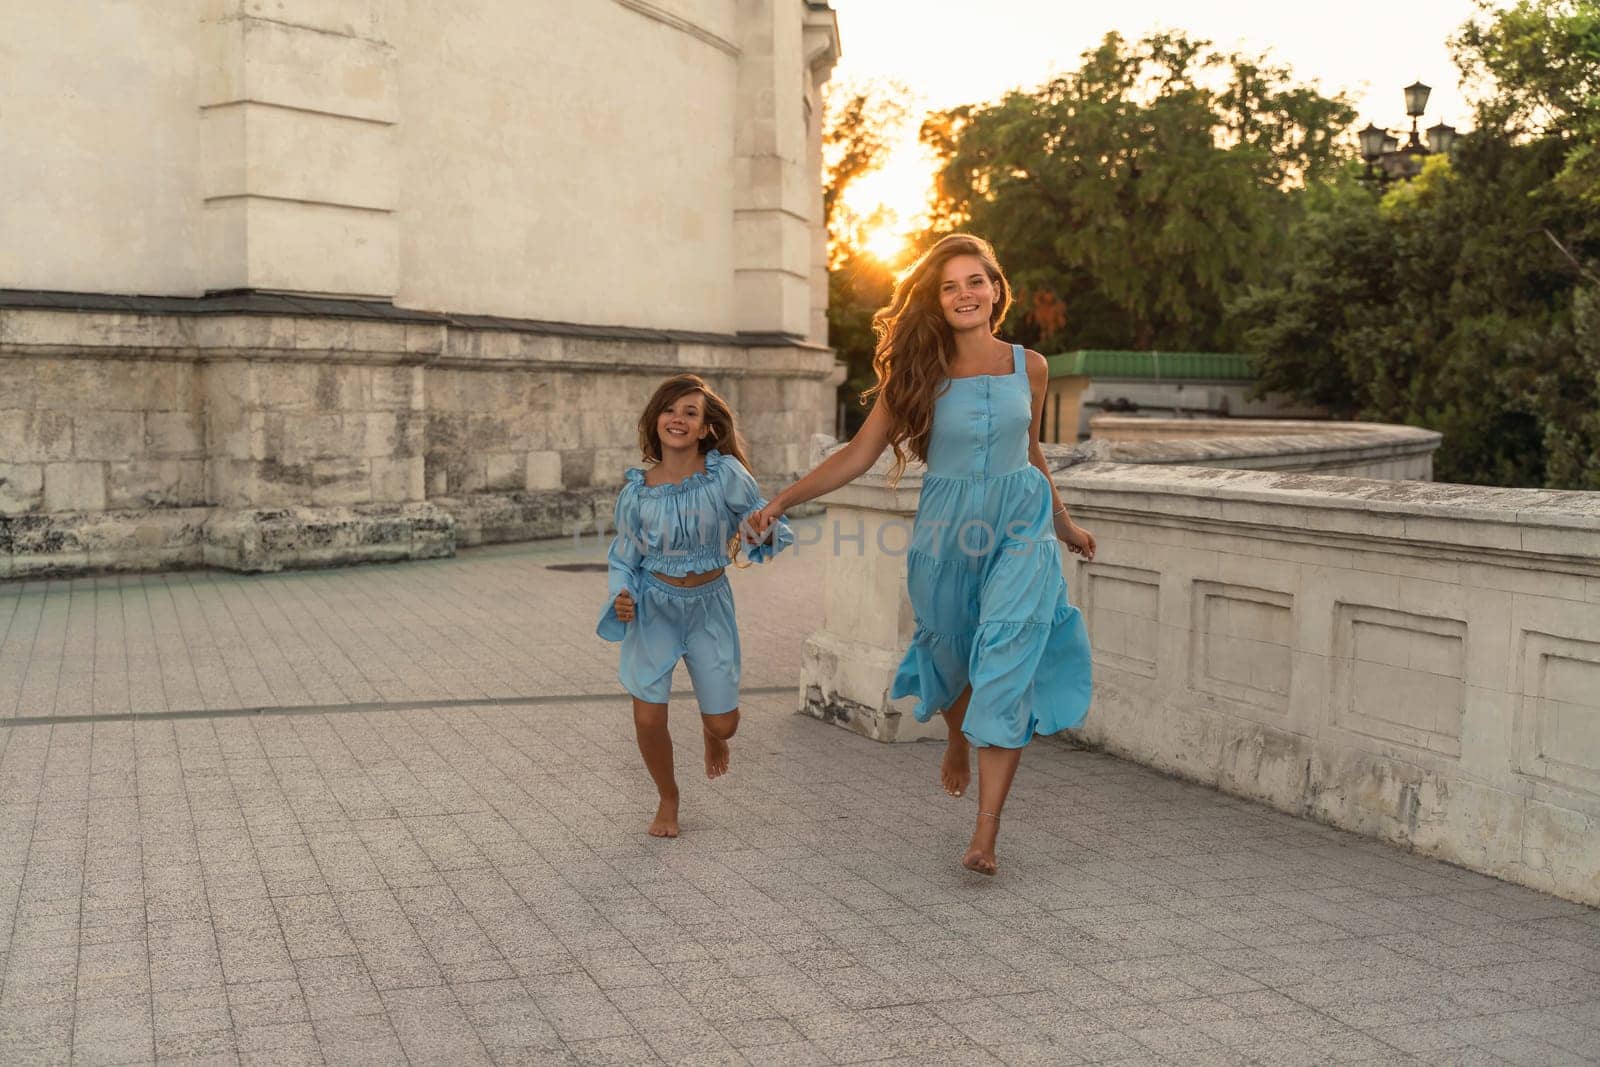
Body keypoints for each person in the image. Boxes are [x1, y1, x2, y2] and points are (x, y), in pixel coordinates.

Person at [751, 234, 1095, 875]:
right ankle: (958, 737)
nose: (965, 294)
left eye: (976, 282)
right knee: (953, 655)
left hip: (1021, 530)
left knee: (1006, 659)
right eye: (950, 286)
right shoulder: (918, 376)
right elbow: (857, 456)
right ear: (935, 301)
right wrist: (782, 501)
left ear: (996, 290)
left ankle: (985, 836)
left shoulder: (1032, 366)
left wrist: (1065, 524)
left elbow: (1031, 453)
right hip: (948, 535)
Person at [597, 374, 791, 838]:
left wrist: (756, 530)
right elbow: (625, 555)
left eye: (690, 412)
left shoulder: (725, 474)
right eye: (670, 409)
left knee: (725, 725)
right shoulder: (636, 492)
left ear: (706, 428)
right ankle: (668, 796)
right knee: (647, 716)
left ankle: (711, 735)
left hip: (709, 606)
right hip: (654, 607)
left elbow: (759, 521)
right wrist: (621, 596)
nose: (678, 418)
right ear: (655, 420)